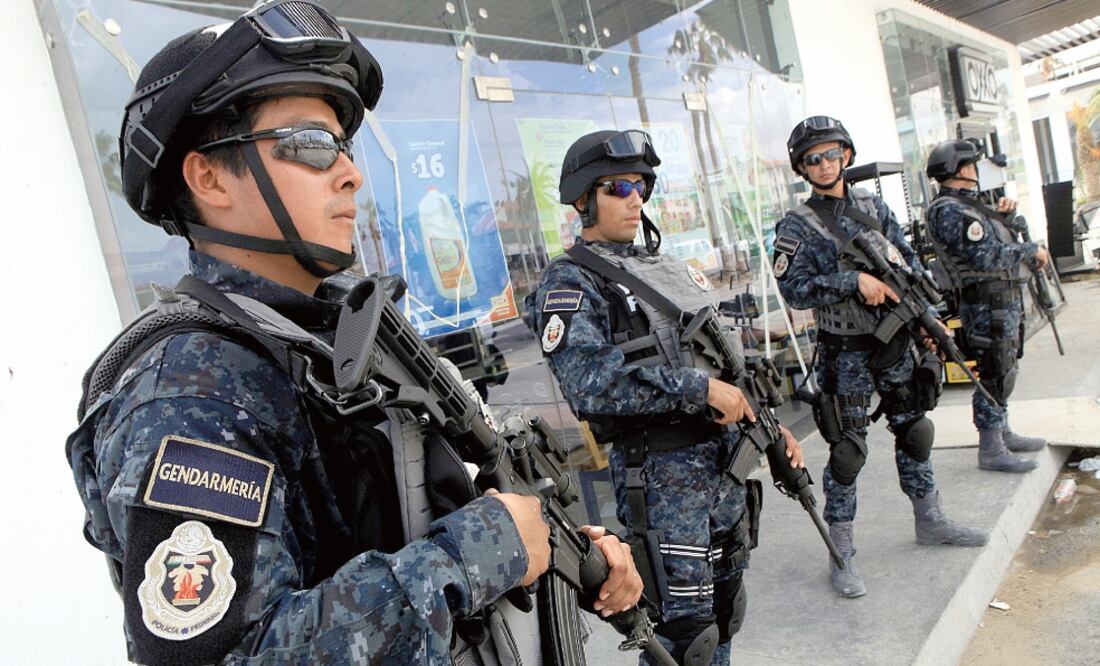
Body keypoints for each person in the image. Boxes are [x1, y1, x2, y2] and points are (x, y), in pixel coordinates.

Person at [64, 2, 640, 664]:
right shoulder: (189, 394)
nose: (351, 173)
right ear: (208, 177)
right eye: (310, 144)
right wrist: (483, 550)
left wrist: (557, 543)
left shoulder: (331, 340)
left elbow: (407, 523)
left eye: (344, 145)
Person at [527, 129, 805, 665]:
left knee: (725, 615)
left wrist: (767, 423)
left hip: (723, 472)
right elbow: (591, 383)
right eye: (618, 187)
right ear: (583, 199)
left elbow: (729, 368)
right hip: (661, 483)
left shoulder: (671, 270)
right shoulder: (571, 282)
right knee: (683, 641)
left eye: (641, 187)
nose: (634, 199)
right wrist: (699, 390)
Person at [772, 116, 988, 600]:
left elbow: (908, 264)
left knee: (916, 431)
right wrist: (851, 282)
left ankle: (930, 518)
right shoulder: (796, 226)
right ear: (802, 168)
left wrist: (926, 323)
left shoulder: (874, 206)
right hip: (843, 351)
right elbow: (794, 288)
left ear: (846, 155)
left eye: (832, 154)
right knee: (848, 453)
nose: (825, 164)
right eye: (813, 158)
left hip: (894, 344)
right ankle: (841, 550)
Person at [924, 139, 1050, 473]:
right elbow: (983, 255)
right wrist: (1030, 250)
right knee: (993, 370)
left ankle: (1002, 432)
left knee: (1006, 364)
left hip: (1000, 298)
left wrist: (1004, 219)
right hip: (985, 302)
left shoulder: (970, 205)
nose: (977, 170)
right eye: (973, 165)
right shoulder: (949, 209)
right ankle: (991, 447)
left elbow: (990, 243)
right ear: (962, 169)